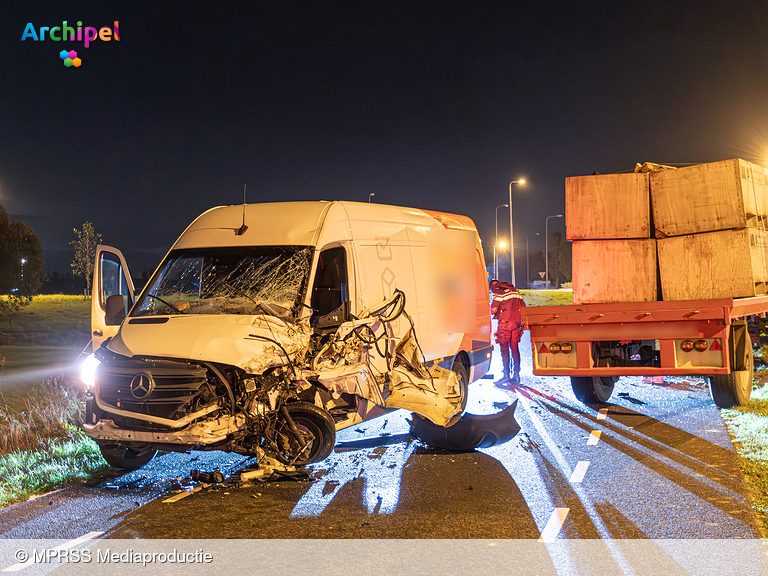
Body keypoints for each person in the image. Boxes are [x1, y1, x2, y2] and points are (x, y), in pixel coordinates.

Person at [490, 279, 526, 385]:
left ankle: (506, 376)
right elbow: (523, 306)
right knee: (515, 348)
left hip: (505, 324)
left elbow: (493, 309)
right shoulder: (515, 292)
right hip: (516, 323)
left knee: (504, 349)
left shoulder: (499, 292)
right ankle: (516, 375)